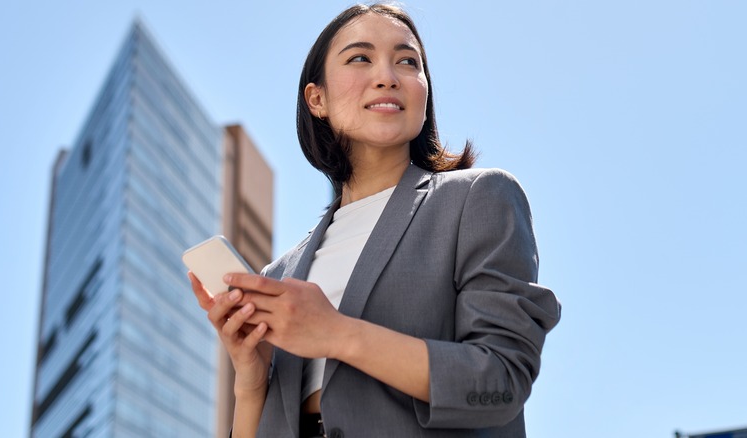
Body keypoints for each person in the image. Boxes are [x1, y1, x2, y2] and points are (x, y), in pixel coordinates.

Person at [189, 3, 561, 437]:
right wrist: (251, 381)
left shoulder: (478, 199)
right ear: (317, 99)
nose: (388, 76)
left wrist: (337, 333)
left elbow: (500, 381)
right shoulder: (282, 273)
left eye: (407, 61)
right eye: (360, 58)